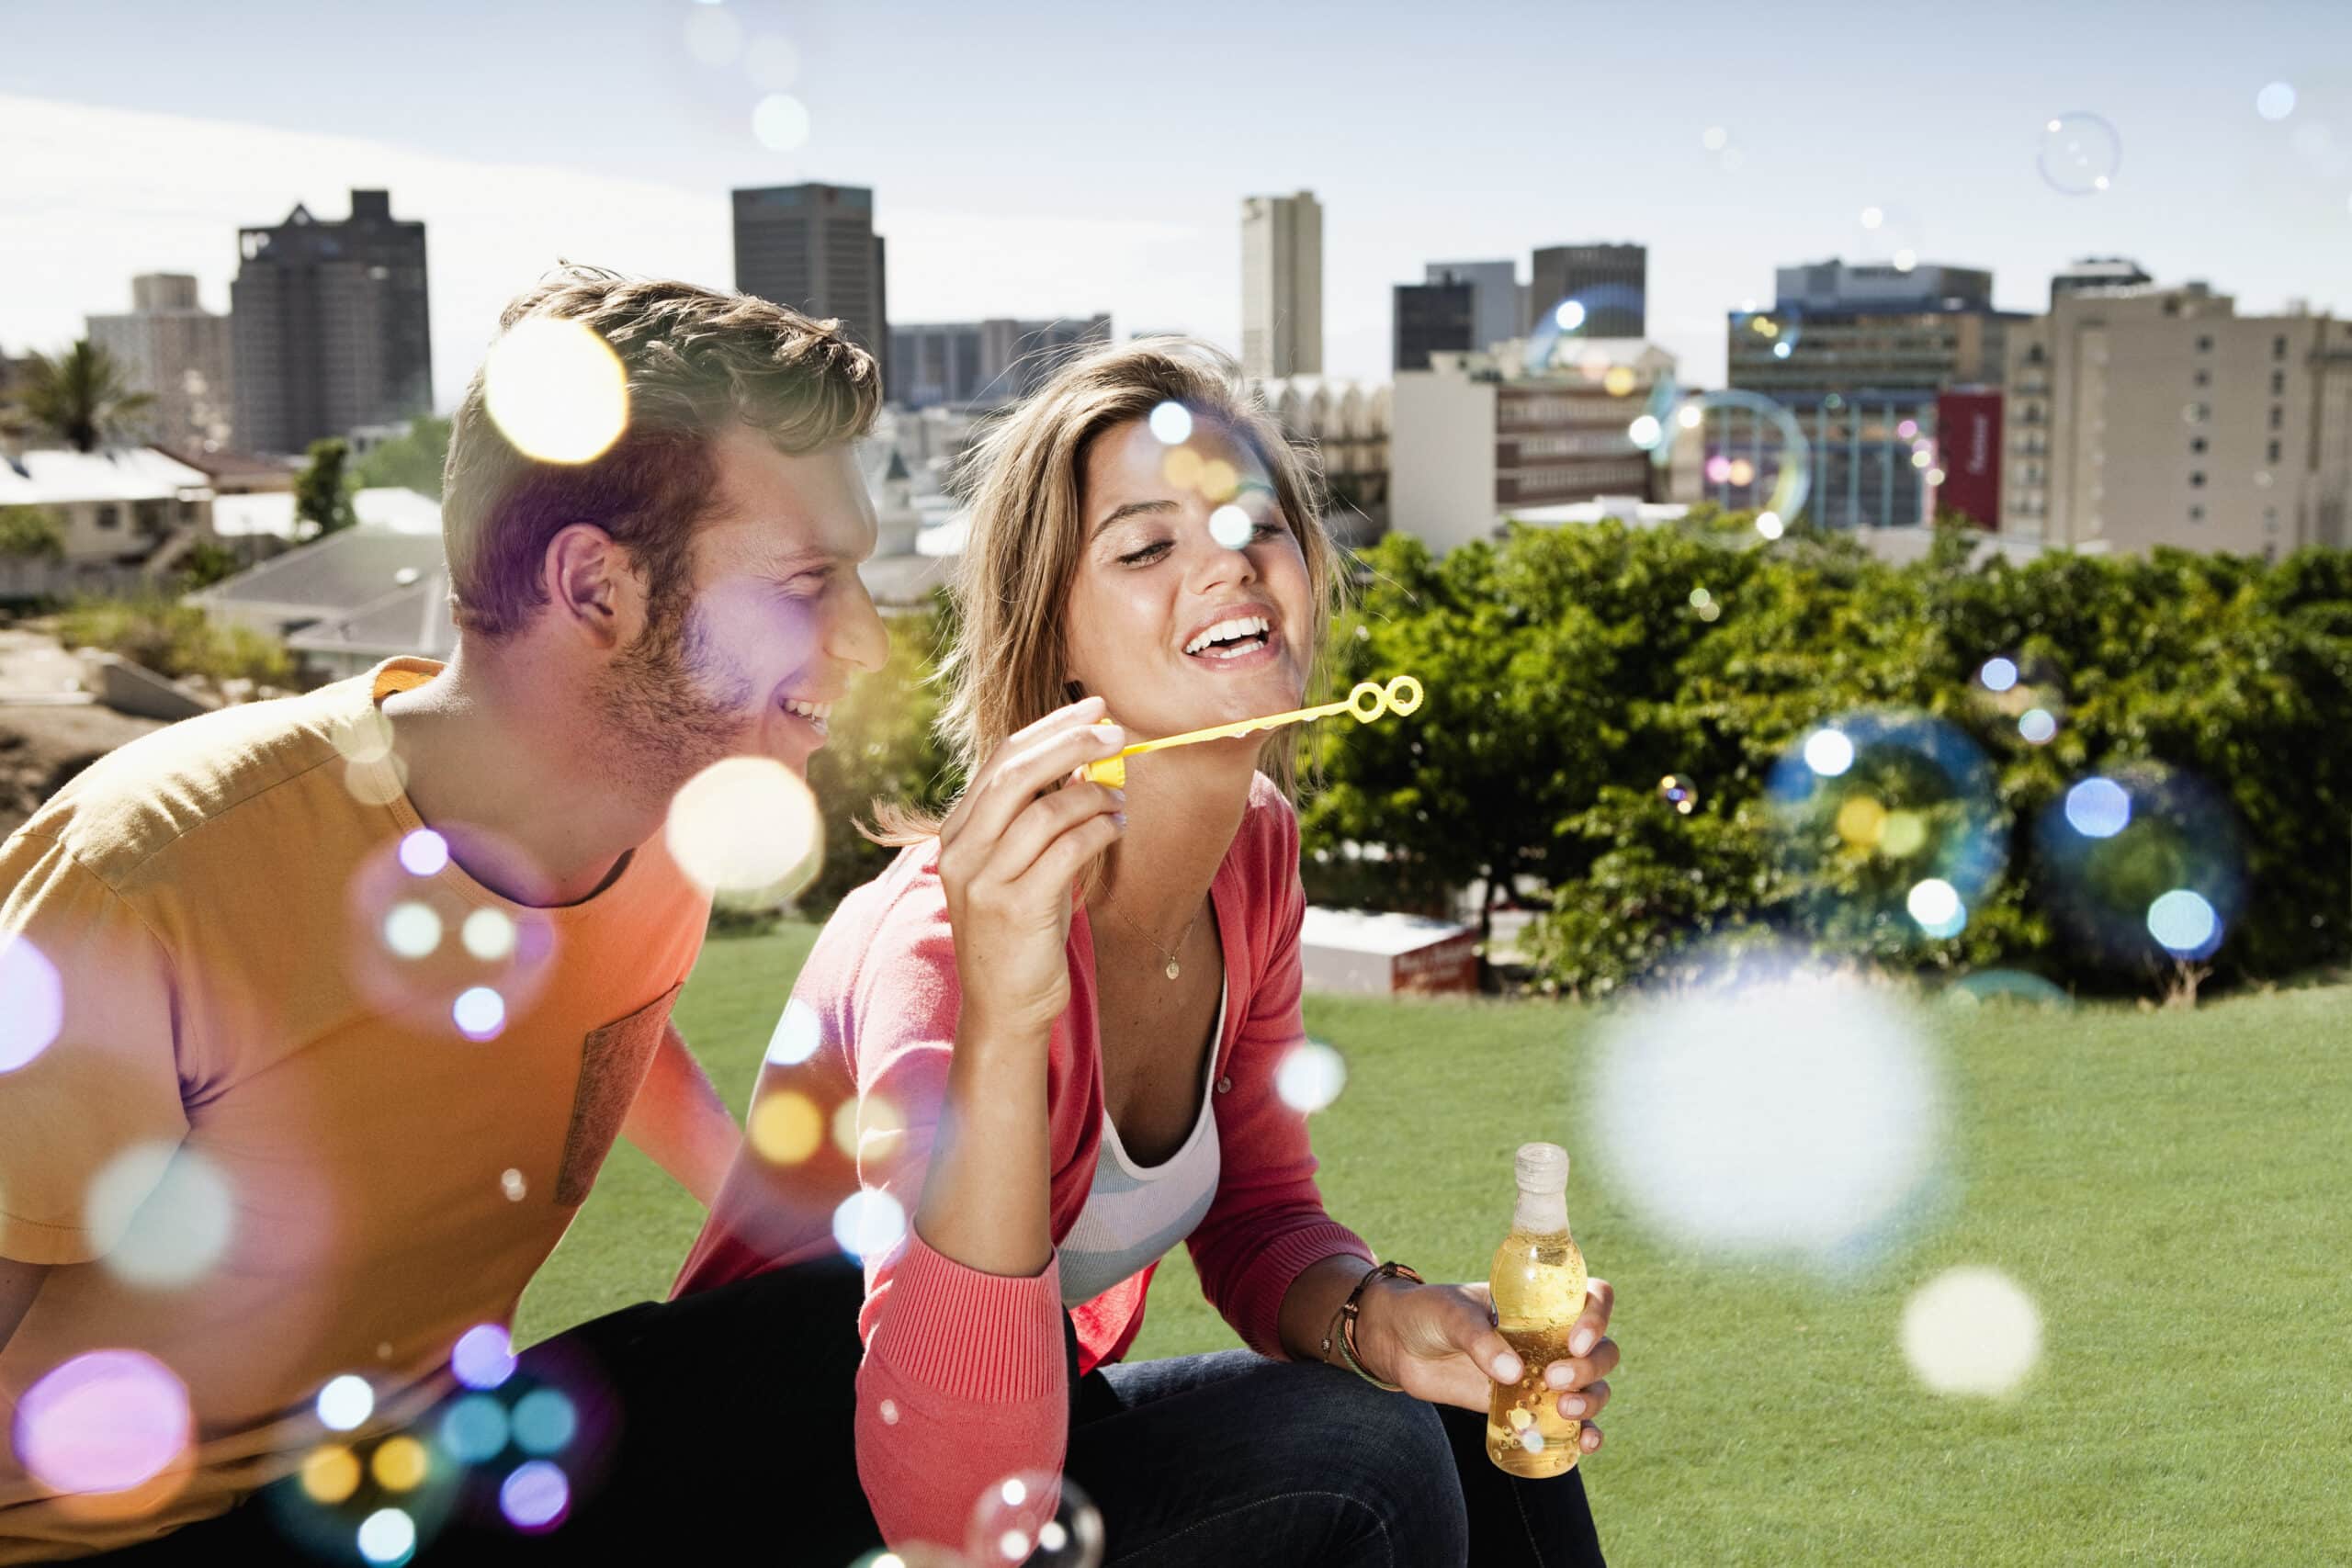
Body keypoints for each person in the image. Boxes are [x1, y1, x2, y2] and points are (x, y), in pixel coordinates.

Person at [0, 267, 895, 1562]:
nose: (865, 640)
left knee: (856, 1319)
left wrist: (765, 1204)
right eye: (810, 581)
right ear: (597, 589)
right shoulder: (156, 875)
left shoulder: (658, 818)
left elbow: (584, 1012)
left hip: (418, 1481)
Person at [678, 339, 1621, 1565]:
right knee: (1372, 1458)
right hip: (798, 1491)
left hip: (1031, 1441)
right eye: (1143, 545)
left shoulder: (1255, 853)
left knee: (1466, 1416)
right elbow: (948, 1507)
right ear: (1054, 632)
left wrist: (1378, 1322)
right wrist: (1008, 1023)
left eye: (1255, 522)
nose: (1230, 560)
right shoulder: (944, 946)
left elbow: (1259, 1210)